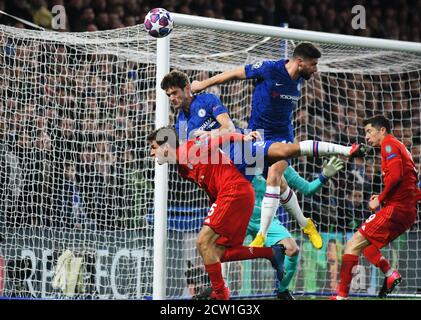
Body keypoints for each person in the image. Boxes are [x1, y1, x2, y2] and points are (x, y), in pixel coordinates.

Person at [148, 126, 365, 299]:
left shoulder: (187, 151)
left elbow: (218, 139)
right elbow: (211, 180)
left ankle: (221, 294)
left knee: (202, 241)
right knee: (216, 252)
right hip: (236, 198)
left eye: (153, 147)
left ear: (165, 145)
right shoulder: (182, 167)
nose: (151, 152)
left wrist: (243, 137)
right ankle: (271, 253)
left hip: (235, 193)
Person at [191, 42, 325, 250]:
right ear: (300, 62)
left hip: (283, 136)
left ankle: (262, 234)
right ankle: (305, 224)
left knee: (274, 177)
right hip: (258, 135)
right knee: (279, 185)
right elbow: (235, 73)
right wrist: (203, 84)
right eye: (313, 64)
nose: (315, 69)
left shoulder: (299, 79)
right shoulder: (270, 68)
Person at [331, 115, 421, 300]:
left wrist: (380, 199)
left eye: (369, 131)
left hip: (397, 209)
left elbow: (396, 177)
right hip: (405, 210)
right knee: (367, 246)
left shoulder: (389, 144)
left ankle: (341, 296)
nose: (366, 136)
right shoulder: (396, 146)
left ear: (382, 130)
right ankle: (390, 275)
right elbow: (409, 181)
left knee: (353, 243)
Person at [250, 156, 344, 300]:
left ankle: (282, 290)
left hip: (268, 221)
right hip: (241, 215)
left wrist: (324, 176)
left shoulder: (280, 165)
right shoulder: (243, 158)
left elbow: (307, 189)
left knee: (293, 250)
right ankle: (216, 289)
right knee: (219, 247)